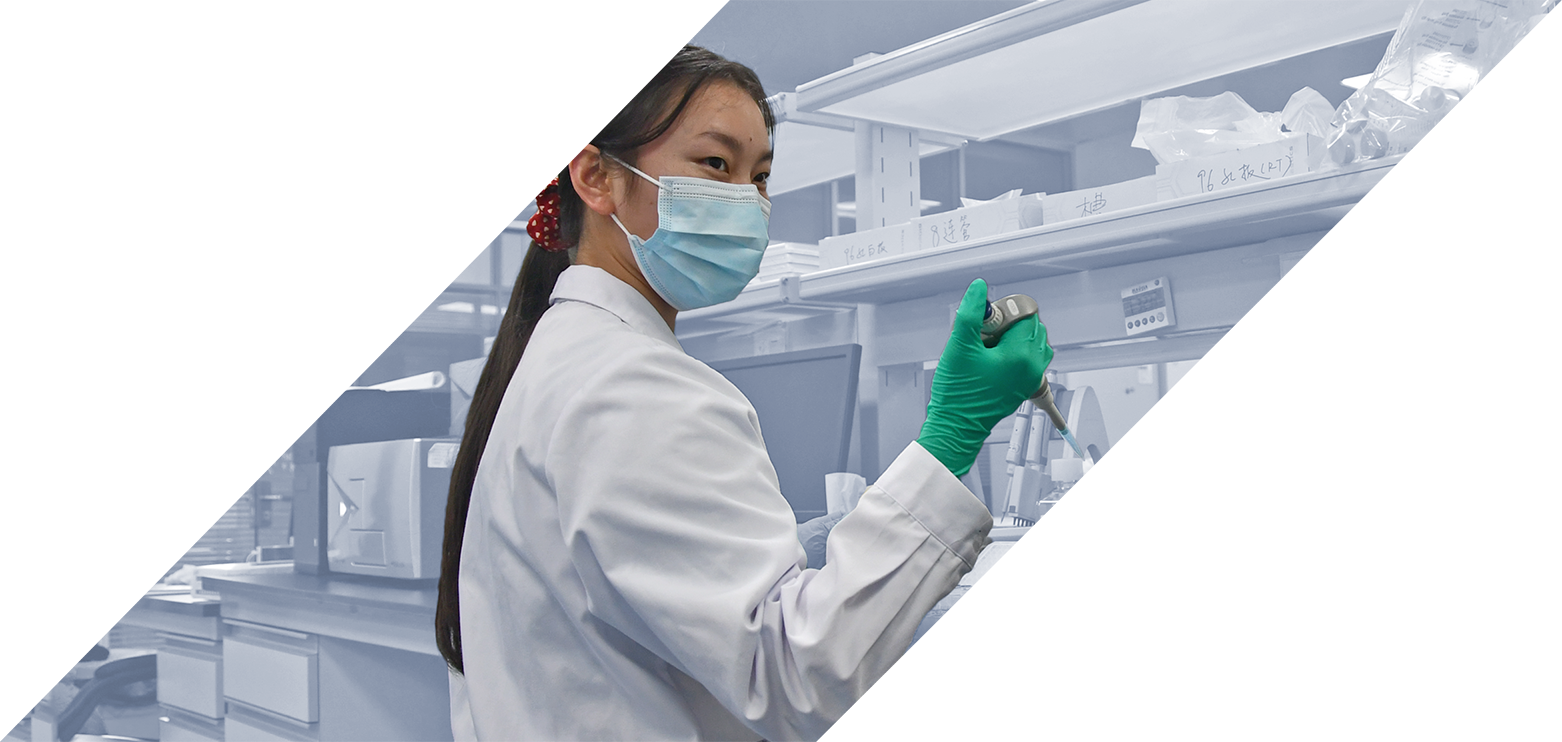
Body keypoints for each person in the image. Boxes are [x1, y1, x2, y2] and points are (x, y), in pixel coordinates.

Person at [435, 46, 1054, 742]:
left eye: (759, 176)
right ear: (595, 176)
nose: (748, 202)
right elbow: (790, 673)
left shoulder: (560, 353)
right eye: (715, 165)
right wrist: (951, 438)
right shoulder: (635, 385)